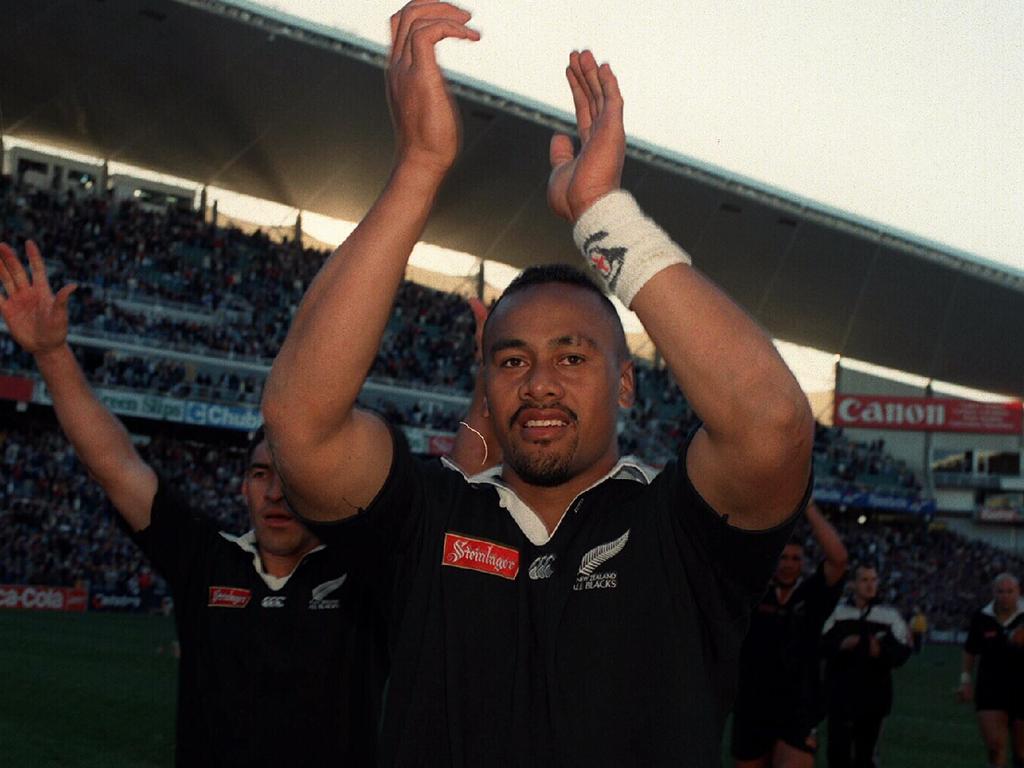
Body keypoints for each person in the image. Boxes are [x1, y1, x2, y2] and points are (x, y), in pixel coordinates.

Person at [261, 3, 814, 766]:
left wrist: (599, 215)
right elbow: (299, 423)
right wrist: (419, 167)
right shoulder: (430, 519)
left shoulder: (679, 533)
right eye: (513, 360)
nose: (541, 383)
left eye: (574, 356)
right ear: (485, 386)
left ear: (627, 386)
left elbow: (774, 425)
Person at [0, 240, 385, 767]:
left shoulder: (365, 572)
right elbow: (115, 465)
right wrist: (51, 354)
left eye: (287, 476)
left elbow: (454, 489)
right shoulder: (206, 560)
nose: (274, 492)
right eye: (258, 474)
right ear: (241, 487)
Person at [731, 502, 848, 768]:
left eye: (796, 558)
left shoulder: (812, 595)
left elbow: (839, 559)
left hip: (799, 707)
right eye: (783, 557)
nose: (789, 564)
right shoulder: (751, 592)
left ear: (804, 562)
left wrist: (806, 506)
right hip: (752, 704)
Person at [821, 563, 912, 768]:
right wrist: (841, 645)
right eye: (864, 580)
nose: (870, 585)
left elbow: (903, 652)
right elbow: (818, 646)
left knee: (866, 758)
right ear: (852, 584)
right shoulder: (836, 613)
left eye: (873, 580)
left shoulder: (890, 616)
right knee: (837, 756)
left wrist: (882, 653)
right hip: (840, 697)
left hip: (875, 700)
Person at [958, 573, 1024, 768]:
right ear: (993, 592)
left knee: (1021, 753)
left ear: (1019, 592)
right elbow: (970, 651)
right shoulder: (981, 617)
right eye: (1000, 591)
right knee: (995, 748)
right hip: (990, 689)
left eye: (1010, 591)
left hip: (1022, 689)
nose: (1005, 595)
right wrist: (965, 680)